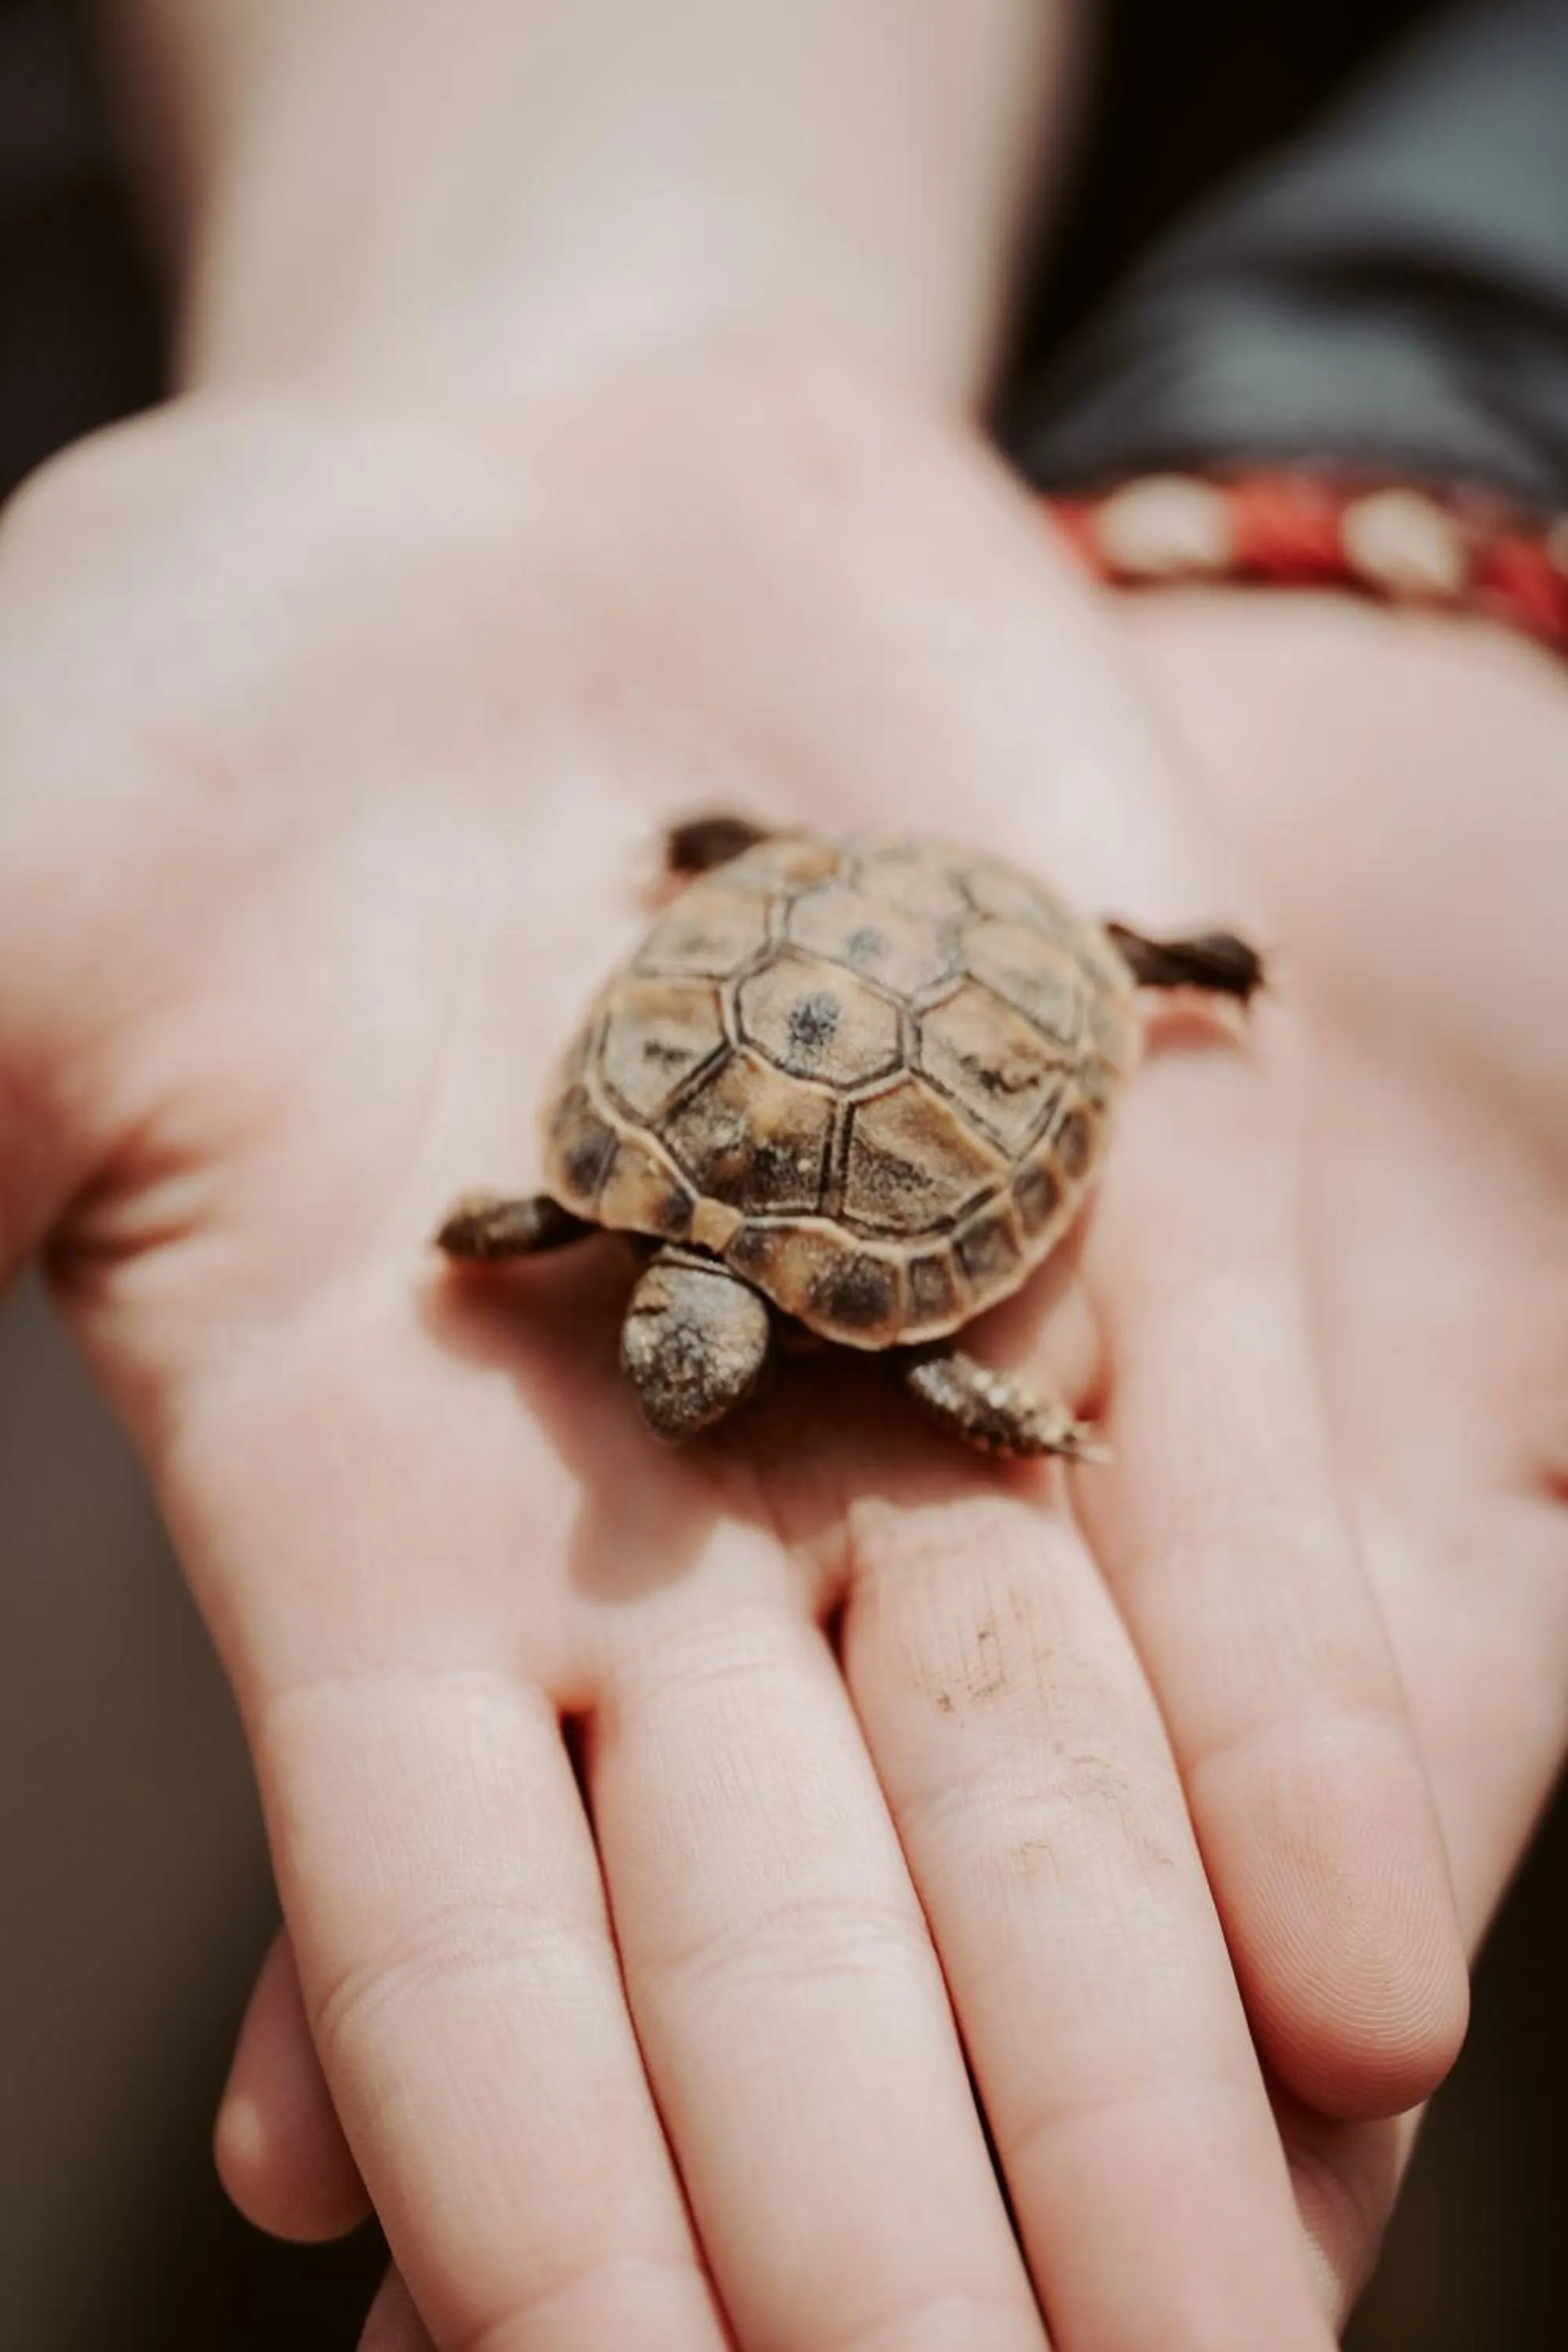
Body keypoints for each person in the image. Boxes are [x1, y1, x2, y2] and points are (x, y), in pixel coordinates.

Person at [1, 3, 1563, 2346]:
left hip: (1018, 902)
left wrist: (1003, 1409)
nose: (670, 1372)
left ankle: (1139, 965)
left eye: (685, 1351)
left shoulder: (854, 1318)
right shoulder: (606, 1229)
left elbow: (917, 1358)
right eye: (671, 1341)